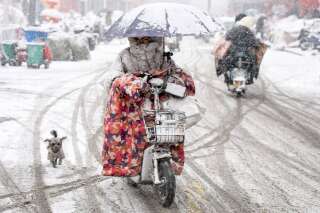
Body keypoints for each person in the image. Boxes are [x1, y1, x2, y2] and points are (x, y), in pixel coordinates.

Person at [102, 36, 197, 177]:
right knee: (132, 134)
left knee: (168, 130)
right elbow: (112, 77)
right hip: (134, 102)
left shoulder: (163, 55)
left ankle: (168, 160)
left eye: (147, 38)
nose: (143, 41)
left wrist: (169, 80)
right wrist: (131, 82)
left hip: (160, 98)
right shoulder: (124, 55)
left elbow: (176, 73)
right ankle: (131, 166)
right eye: (139, 38)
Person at [216, 14, 259, 85]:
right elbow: (254, 42)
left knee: (223, 62)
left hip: (234, 53)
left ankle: (226, 78)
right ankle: (250, 78)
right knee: (254, 63)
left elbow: (227, 37)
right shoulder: (249, 31)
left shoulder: (234, 29)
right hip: (246, 55)